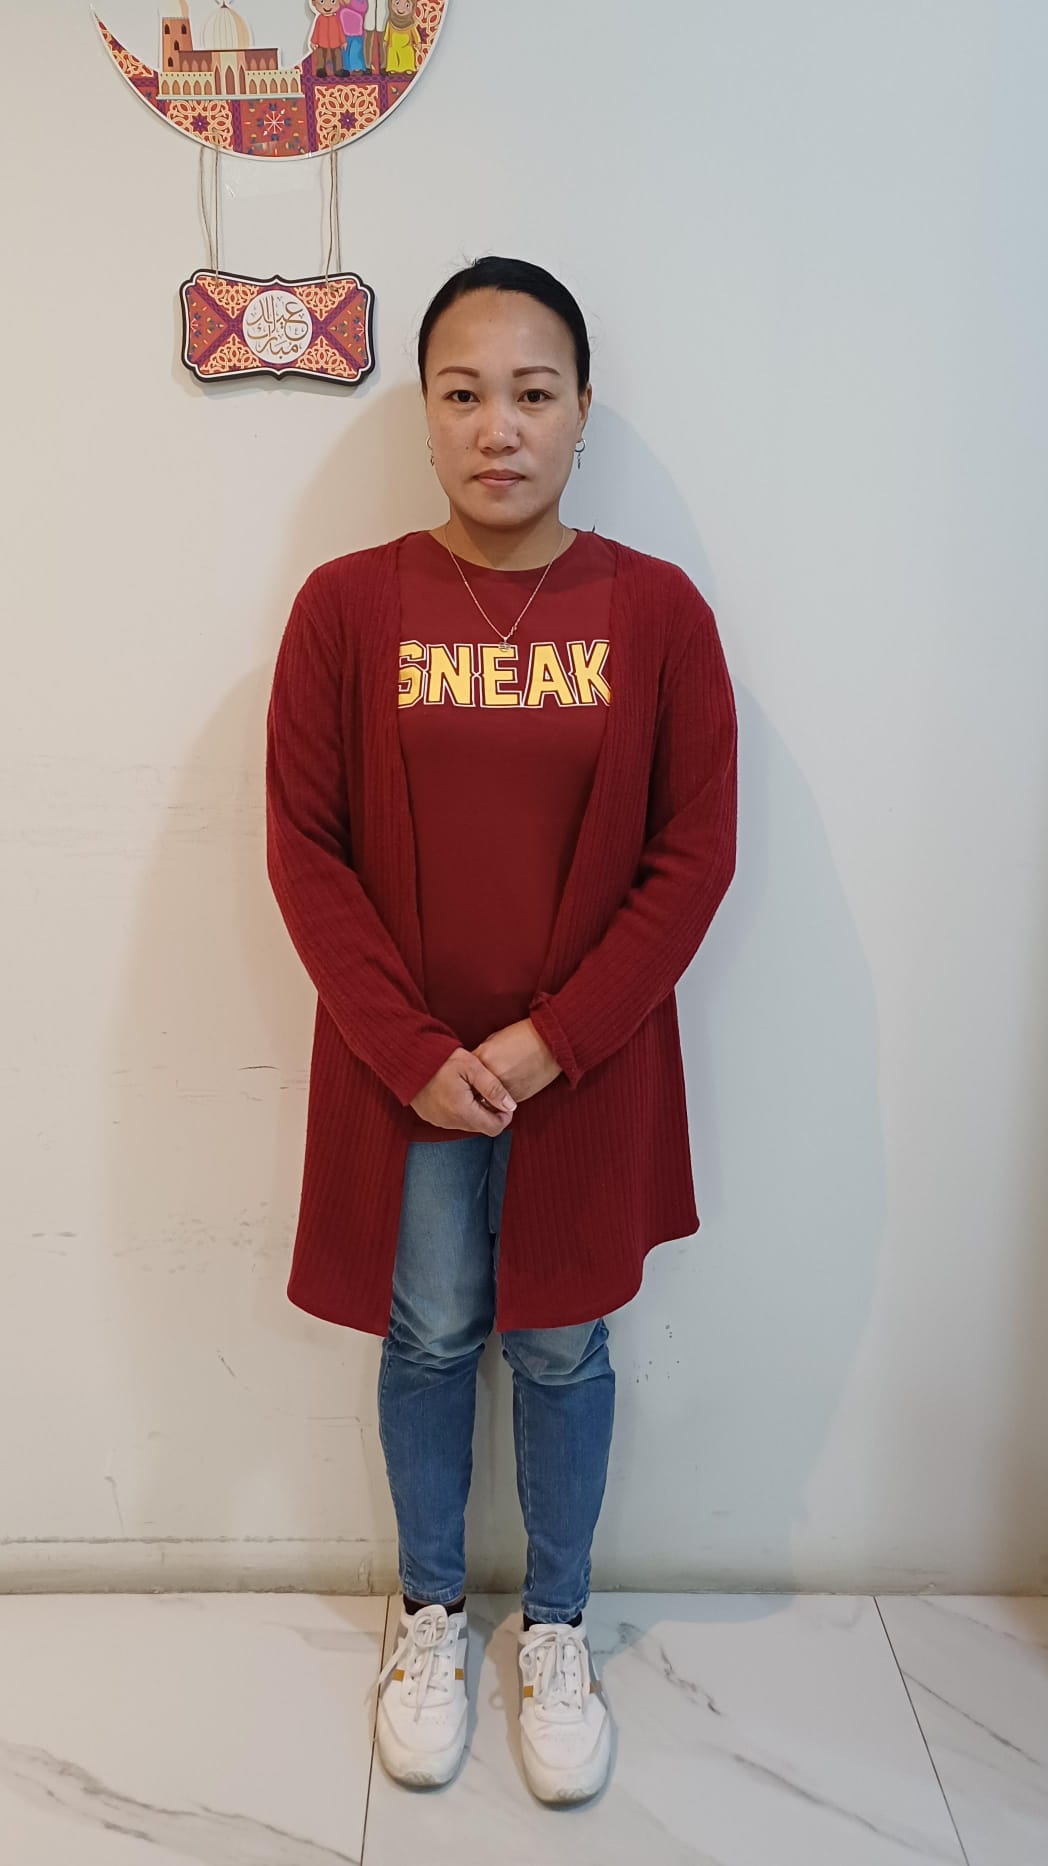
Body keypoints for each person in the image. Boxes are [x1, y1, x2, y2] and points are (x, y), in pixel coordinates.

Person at [264, 256, 738, 1802]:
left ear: (583, 411)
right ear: (425, 412)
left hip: (579, 1077)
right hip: (408, 1081)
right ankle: (428, 1613)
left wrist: (554, 1039)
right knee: (430, 1331)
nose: (499, 426)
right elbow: (306, 849)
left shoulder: (655, 615)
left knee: (562, 1343)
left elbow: (693, 855)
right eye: (463, 393)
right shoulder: (348, 610)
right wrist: (414, 1050)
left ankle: (557, 1623)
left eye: (534, 393)